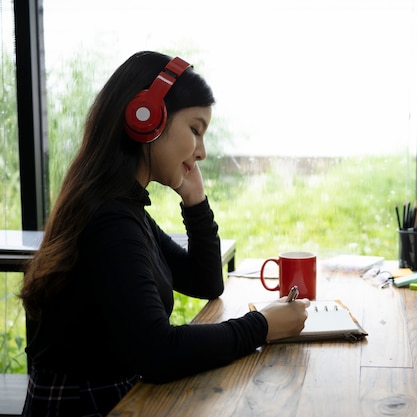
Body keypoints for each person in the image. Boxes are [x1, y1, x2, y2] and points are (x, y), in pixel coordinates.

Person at [19, 51, 310, 416]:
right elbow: (158, 351)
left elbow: (206, 282)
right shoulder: (111, 220)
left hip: (113, 397)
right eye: (195, 130)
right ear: (146, 119)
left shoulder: (124, 209)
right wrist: (262, 325)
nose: (201, 152)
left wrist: (195, 202)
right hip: (86, 405)